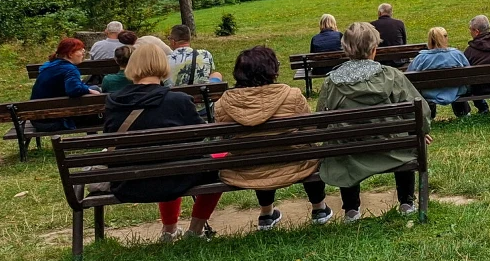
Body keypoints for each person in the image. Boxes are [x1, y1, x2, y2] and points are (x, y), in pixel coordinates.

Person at [104, 37, 220, 242]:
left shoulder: (113, 101)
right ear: (163, 65)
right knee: (215, 163)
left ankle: (169, 231)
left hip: (128, 182)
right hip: (176, 177)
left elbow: (109, 139)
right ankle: (195, 230)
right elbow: (201, 134)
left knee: (171, 160)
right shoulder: (179, 100)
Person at [317, 21, 433, 219]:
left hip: (349, 152)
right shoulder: (391, 75)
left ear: (345, 49)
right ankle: (406, 202)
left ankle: (352, 209)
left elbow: (321, 121)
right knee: (405, 139)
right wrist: (421, 131)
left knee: (343, 144)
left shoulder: (332, 82)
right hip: (392, 149)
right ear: (374, 49)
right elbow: (420, 112)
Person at [214, 46, 329, 230]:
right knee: (309, 151)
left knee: (258, 154)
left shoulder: (223, 104)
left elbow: (224, 138)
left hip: (248, 167)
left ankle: (266, 214)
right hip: (294, 163)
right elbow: (310, 130)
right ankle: (319, 208)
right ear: (272, 70)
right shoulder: (292, 95)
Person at [31, 37, 102, 132]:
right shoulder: (69, 69)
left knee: (93, 88)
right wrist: (88, 90)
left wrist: (88, 89)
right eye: (80, 50)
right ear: (70, 54)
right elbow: (74, 90)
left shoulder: (50, 65)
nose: (83, 52)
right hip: (54, 121)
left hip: (38, 118)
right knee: (94, 93)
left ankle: (92, 135)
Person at [407, 27, 472, 117]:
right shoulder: (456, 55)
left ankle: (429, 115)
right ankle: (463, 112)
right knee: (456, 86)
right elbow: (469, 71)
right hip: (455, 91)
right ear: (445, 38)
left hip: (429, 92)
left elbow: (409, 76)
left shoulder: (421, 58)